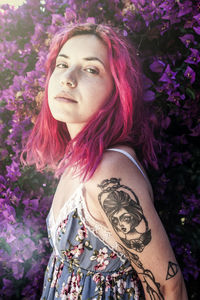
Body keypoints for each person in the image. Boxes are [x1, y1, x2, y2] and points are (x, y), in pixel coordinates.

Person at [21, 23, 188, 300]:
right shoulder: (79, 156)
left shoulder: (108, 171)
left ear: (116, 91)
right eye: (62, 65)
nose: (67, 78)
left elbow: (169, 287)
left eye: (90, 69)